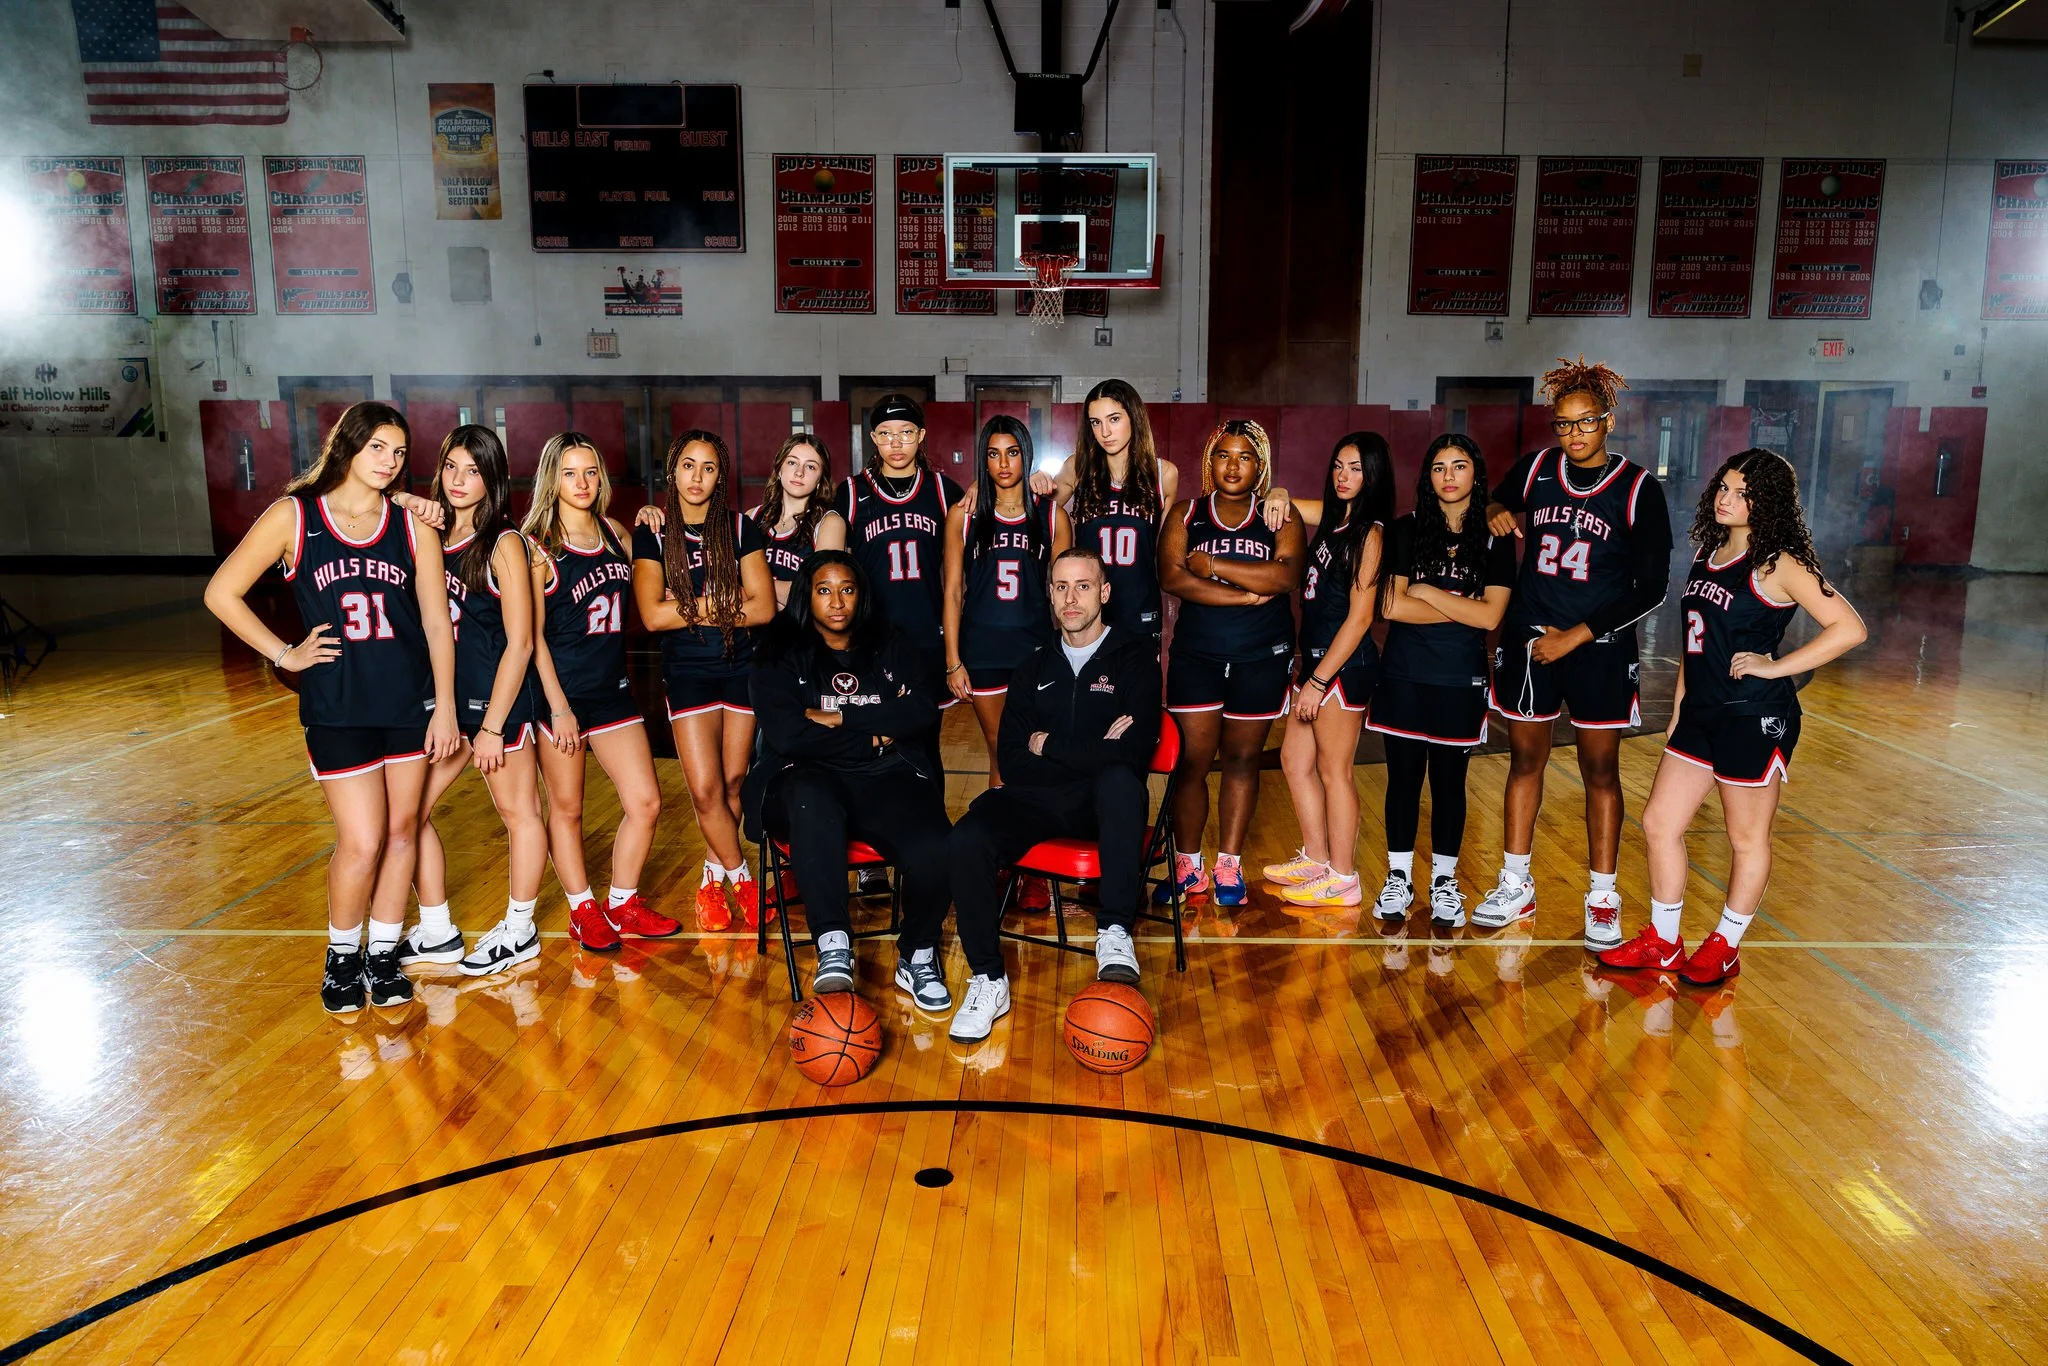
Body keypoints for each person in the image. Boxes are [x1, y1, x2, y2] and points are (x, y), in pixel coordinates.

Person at [202, 401, 460, 1013]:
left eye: (399, 453)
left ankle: (382, 952)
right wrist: (282, 653)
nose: (390, 462)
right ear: (348, 445)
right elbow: (221, 591)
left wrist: (445, 705)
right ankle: (342, 954)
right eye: (378, 448)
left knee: (403, 832)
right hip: (338, 706)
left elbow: (434, 620)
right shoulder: (296, 516)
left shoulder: (412, 524)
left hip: (408, 701)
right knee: (363, 839)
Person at [1599, 449, 1864, 985]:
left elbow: (1849, 628)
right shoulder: (1709, 551)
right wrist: (1677, 706)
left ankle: (1725, 943)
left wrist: (1776, 667)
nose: (1726, 498)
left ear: (1766, 502)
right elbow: (1696, 642)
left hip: (1753, 717)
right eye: (1723, 487)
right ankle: (1665, 941)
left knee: (1745, 838)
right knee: (1659, 823)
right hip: (1700, 712)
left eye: (1742, 492)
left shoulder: (1780, 563)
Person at [1475, 358, 1673, 949]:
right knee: (1524, 762)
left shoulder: (1638, 488)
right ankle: (1515, 883)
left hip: (1599, 646)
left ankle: (1603, 896)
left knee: (1600, 772)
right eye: (1563, 424)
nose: (1575, 434)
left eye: (1585, 422)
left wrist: (1578, 635)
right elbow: (1494, 502)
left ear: (1608, 421)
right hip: (1532, 639)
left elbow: (1652, 587)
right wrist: (1495, 511)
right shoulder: (1536, 469)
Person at [947, 547, 1163, 1041]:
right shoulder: (1032, 667)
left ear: (1104, 593)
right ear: (1049, 594)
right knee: (968, 837)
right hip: (1037, 800)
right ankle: (987, 978)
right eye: (1061, 587)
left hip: (1103, 806)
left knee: (1119, 784)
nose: (1071, 597)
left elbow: (1131, 753)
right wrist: (1093, 747)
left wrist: (1053, 746)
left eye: (1083, 586)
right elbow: (1013, 757)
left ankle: (1113, 932)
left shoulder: (1134, 659)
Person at [743, 551, 954, 1004]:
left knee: (939, 842)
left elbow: (918, 713)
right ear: (807, 596)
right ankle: (833, 944)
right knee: (811, 801)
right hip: (805, 776)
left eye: (847, 589)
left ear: (861, 595)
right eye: (824, 590)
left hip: (885, 773)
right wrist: (873, 734)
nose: (837, 602)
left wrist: (836, 718)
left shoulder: (891, 643)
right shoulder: (778, 650)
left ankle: (917, 951)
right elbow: (788, 734)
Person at [403, 425, 550, 977]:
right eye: (450, 468)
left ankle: (520, 929)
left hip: (496, 704)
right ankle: (436, 927)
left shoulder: (504, 543)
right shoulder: (428, 535)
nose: (459, 481)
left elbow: (521, 642)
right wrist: (410, 499)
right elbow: (367, 495)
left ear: (493, 479)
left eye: (473, 470)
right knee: (408, 812)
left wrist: (491, 727)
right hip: (443, 701)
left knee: (520, 814)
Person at [524, 432, 676, 952]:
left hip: (611, 692)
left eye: (590, 472)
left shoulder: (614, 533)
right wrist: (560, 708)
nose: (582, 482)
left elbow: (660, 580)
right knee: (567, 810)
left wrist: (654, 526)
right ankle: (582, 908)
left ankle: (623, 902)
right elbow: (530, 639)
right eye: (569, 473)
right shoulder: (538, 547)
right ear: (552, 479)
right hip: (559, 700)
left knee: (646, 802)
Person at [1367, 434, 1515, 929]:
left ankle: (1445, 882)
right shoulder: (1406, 531)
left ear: (1476, 473)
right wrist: (1462, 608)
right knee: (1403, 782)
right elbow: (1390, 606)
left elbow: (1492, 617)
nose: (1448, 476)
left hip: (1460, 680)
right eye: (1438, 467)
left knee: (1450, 784)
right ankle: (1399, 878)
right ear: (1427, 476)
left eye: (1459, 466)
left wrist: (1427, 591)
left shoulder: (1495, 538)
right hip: (1405, 674)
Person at [1157, 419, 1305, 907]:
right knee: (1192, 763)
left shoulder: (1280, 516)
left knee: (1242, 761)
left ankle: (1228, 866)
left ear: (1259, 465)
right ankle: (1188, 866)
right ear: (1210, 461)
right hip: (1198, 656)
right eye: (1223, 455)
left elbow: (1283, 577)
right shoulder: (1186, 513)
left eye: (1244, 456)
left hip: (1261, 656)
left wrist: (1216, 567)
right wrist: (1243, 597)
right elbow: (1173, 578)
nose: (1233, 465)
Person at [632, 430, 777, 931]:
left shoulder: (740, 528)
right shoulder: (652, 534)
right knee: (704, 790)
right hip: (689, 673)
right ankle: (742, 880)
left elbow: (764, 608)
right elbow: (652, 615)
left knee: (733, 782)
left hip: (741, 667)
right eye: (688, 465)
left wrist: (688, 609)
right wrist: (724, 603)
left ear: (722, 475)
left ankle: (710, 882)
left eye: (709, 467)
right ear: (672, 471)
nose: (697, 477)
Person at [1263, 432, 1394, 909]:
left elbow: (1361, 618)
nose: (1343, 476)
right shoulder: (1336, 517)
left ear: (1374, 474)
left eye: (1356, 468)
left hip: (1342, 666)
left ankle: (1343, 876)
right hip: (1315, 660)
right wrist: (1277, 493)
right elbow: (1293, 506)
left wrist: (1319, 681)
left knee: (1334, 770)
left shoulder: (1371, 533)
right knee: (1294, 762)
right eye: (1339, 465)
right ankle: (1317, 860)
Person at [942, 415, 1072, 785]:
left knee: (1037, 747)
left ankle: (1035, 833)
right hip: (983, 650)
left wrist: (1071, 656)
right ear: (982, 460)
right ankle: (1001, 836)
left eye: (1012, 453)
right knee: (1001, 748)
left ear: (1025, 456)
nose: (1003, 464)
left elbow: (1066, 596)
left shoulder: (1051, 517)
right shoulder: (963, 517)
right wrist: (953, 661)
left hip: (1036, 650)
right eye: (993, 454)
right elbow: (952, 591)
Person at [753, 431, 847, 606]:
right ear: (779, 469)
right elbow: (730, 585)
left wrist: (756, 591)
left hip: (800, 632)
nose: (799, 473)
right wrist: (789, 591)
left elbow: (821, 595)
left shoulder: (830, 523)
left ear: (820, 479)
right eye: (792, 462)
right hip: (752, 631)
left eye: (810, 466)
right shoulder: (752, 517)